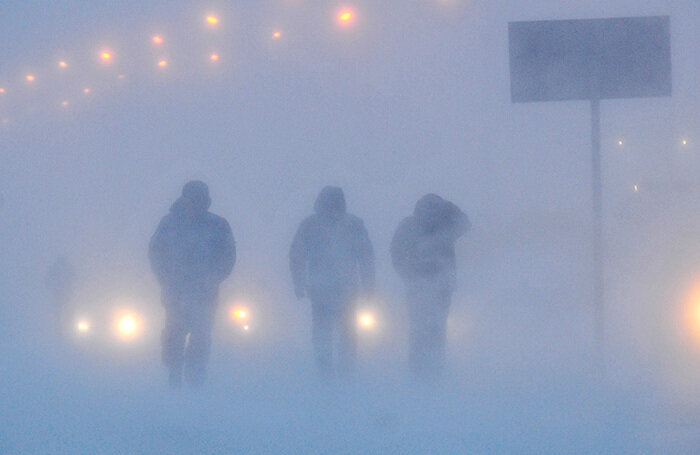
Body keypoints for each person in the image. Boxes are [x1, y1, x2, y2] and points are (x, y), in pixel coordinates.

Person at [149, 181, 235, 387]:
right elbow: (155, 252)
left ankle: (195, 380)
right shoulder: (169, 223)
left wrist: (214, 278)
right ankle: (174, 377)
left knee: (201, 334)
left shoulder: (218, 225)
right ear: (185, 198)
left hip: (205, 291)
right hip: (175, 290)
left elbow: (229, 255)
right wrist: (165, 277)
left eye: (201, 198)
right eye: (193, 198)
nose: (197, 203)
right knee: (174, 333)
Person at [290, 186, 375, 379]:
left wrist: (369, 283)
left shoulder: (351, 225)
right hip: (323, 288)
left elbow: (366, 255)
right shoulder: (312, 225)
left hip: (341, 288)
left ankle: (341, 372)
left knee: (343, 332)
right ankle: (328, 372)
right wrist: (298, 281)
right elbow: (297, 255)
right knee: (328, 333)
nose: (331, 207)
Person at [391, 194, 470, 377]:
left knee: (418, 327)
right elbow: (465, 224)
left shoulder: (410, 224)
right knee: (436, 327)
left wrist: (405, 274)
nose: (430, 214)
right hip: (438, 285)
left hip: (423, 284)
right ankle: (434, 369)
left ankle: (418, 368)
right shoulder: (446, 226)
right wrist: (448, 206)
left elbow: (395, 251)